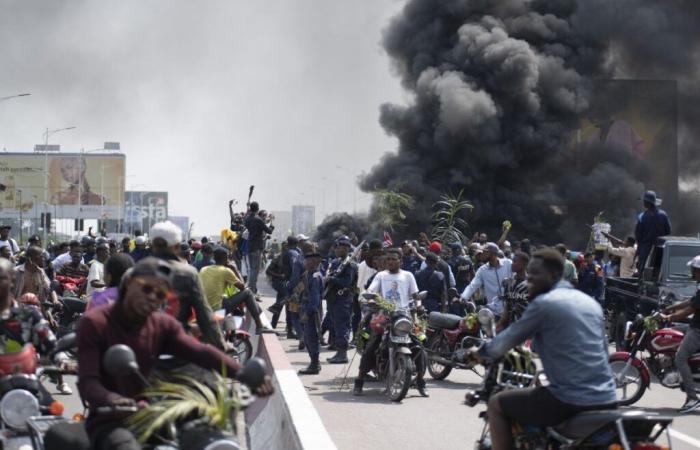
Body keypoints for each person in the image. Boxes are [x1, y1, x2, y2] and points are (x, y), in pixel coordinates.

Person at [76, 258, 274, 450]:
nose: (152, 296)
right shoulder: (96, 322)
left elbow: (200, 353)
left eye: (160, 293)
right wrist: (113, 399)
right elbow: (88, 382)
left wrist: (243, 373)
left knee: (210, 439)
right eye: (146, 288)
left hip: (156, 412)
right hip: (114, 418)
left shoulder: (161, 324)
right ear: (128, 284)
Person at [471, 248, 617, 450]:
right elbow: (601, 351)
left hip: (569, 401)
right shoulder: (590, 303)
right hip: (608, 398)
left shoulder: (544, 303)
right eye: (528, 276)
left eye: (535, 276)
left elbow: (508, 339)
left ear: (554, 275)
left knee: (497, 404)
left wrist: (478, 354)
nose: (529, 281)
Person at [355, 248, 426, 396]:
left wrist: (419, 307)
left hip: (404, 316)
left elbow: (416, 296)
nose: (391, 262)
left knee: (419, 345)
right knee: (372, 344)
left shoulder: (408, 276)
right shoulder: (381, 275)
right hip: (384, 316)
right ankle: (359, 380)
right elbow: (372, 291)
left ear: (401, 260)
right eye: (389, 259)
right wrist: (372, 299)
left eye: (394, 259)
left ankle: (420, 381)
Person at [149, 221, 226, 350]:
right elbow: (204, 315)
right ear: (177, 247)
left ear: (152, 245)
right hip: (178, 345)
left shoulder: (135, 272)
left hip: (145, 345)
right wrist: (222, 345)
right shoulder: (187, 273)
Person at [660, 255, 700, 413]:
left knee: (680, 357)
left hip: (698, 330)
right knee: (672, 332)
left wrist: (670, 317)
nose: (691, 271)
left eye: (693, 269)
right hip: (694, 325)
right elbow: (691, 302)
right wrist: (669, 308)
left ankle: (692, 398)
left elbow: (691, 310)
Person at [199, 247, 271, 334]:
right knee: (248, 293)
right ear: (225, 258)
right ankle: (259, 325)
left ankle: (231, 330)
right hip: (217, 310)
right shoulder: (225, 271)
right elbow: (243, 287)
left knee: (226, 298)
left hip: (204, 308)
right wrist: (234, 269)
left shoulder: (204, 269)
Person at [324, 236, 358, 364]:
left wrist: (331, 279)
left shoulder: (349, 265)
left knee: (342, 326)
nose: (337, 250)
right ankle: (339, 352)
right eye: (337, 247)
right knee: (337, 326)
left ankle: (342, 354)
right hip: (334, 299)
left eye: (341, 248)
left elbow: (346, 282)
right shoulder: (337, 263)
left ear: (346, 249)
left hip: (343, 300)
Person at [460, 242, 513, 316]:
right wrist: (463, 297)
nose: (481, 254)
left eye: (484, 252)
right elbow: (472, 286)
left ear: (493, 254)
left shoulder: (508, 264)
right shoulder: (482, 270)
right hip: (493, 312)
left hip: (511, 311)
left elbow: (518, 280)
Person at [298, 252, 324, 375]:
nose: (305, 263)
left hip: (312, 312)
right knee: (308, 338)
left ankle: (314, 364)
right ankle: (314, 363)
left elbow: (315, 298)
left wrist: (308, 313)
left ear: (314, 263)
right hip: (304, 307)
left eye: (308, 261)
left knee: (311, 338)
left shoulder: (315, 277)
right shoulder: (307, 275)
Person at [635, 190, 671, 272]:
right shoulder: (663, 215)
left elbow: (638, 237)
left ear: (648, 202)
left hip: (646, 250)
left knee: (642, 274)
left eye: (644, 200)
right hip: (661, 249)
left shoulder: (642, 217)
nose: (643, 202)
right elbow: (668, 231)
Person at [244, 202, 274, 293]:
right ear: (257, 209)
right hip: (257, 247)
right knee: (255, 270)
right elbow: (269, 231)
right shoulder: (258, 220)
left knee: (252, 269)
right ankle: (251, 289)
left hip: (250, 247)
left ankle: (252, 288)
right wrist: (272, 222)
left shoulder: (248, 219)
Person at [497, 251, 530, 329]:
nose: (512, 264)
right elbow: (507, 307)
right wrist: (499, 324)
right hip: (511, 328)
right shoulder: (509, 283)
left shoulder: (532, 285)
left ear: (523, 264)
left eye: (515, 261)